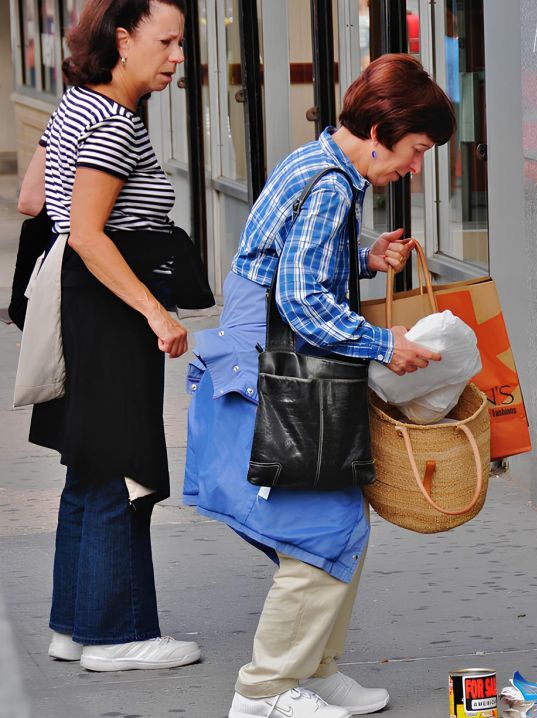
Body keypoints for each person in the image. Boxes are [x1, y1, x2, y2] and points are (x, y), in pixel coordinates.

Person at [183, 53, 455, 718]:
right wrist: (386, 343)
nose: (415, 168)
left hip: (278, 377)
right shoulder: (332, 185)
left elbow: (290, 270)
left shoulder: (321, 167)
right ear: (380, 130)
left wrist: (366, 259)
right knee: (320, 530)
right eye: (417, 150)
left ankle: (314, 670)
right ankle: (266, 690)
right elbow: (304, 302)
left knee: (338, 522)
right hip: (282, 380)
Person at [22, 0, 209, 673]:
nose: (178, 56)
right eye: (168, 42)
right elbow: (88, 231)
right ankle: (117, 635)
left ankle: (76, 626)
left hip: (82, 309)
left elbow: (31, 201)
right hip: (112, 313)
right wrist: (156, 314)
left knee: (92, 466)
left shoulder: (75, 106)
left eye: (180, 43)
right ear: (124, 40)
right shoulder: (113, 122)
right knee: (122, 469)